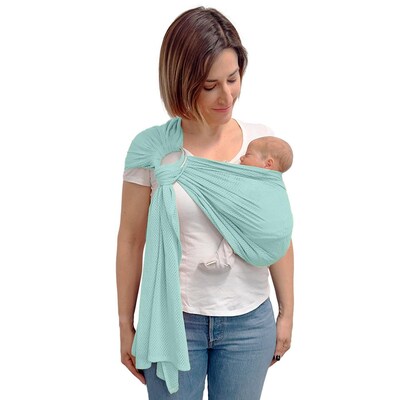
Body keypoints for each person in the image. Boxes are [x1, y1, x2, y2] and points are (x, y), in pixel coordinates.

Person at [116, 6, 294, 400]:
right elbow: (130, 241)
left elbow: (276, 234)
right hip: (172, 322)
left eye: (233, 78)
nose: (226, 96)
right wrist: (125, 324)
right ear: (180, 82)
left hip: (249, 323)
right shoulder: (152, 150)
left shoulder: (261, 146)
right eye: (210, 85)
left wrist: (286, 313)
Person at [200, 136, 294, 272]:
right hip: (267, 236)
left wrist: (222, 170)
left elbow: (233, 192)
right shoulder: (270, 184)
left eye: (248, 155)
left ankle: (222, 259)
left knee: (234, 230)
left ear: (268, 164)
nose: (241, 158)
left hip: (263, 231)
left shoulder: (265, 184)